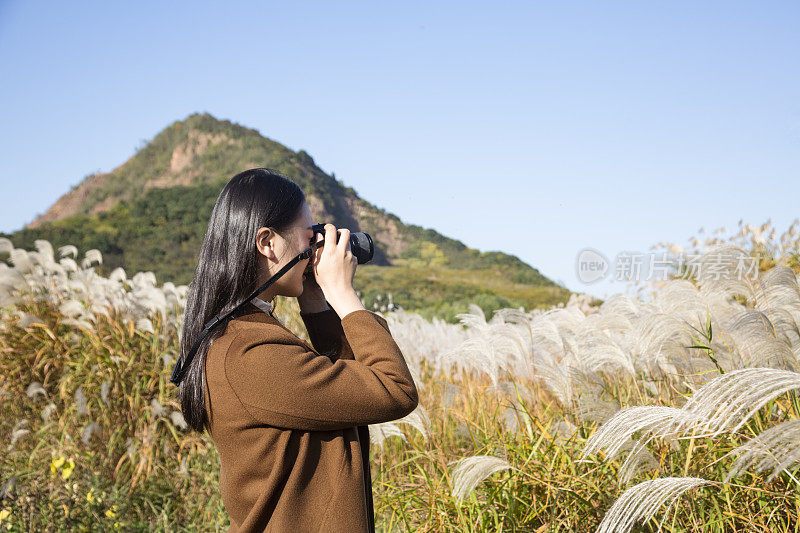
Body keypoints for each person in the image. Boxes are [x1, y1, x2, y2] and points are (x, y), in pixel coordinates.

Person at [176, 168, 419, 532]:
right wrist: (343, 295)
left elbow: (349, 390)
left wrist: (318, 304)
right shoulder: (249, 353)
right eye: (309, 237)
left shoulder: (245, 336)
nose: (314, 250)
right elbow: (394, 390)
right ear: (267, 242)